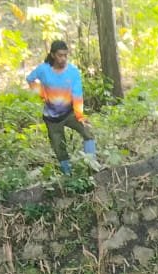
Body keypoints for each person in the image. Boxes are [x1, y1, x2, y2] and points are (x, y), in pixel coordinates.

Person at [25, 40, 103, 176]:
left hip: (69, 113)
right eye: (60, 55)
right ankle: (68, 174)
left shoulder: (72, 72)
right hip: (52, 117)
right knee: (59, 146)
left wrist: (80, 115)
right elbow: (30, 79)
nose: (63, 59)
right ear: (53, 55)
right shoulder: (43, 70)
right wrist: (42, 93)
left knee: (88, 133)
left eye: (65, 55)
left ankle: (93, 167)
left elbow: (77, 94)